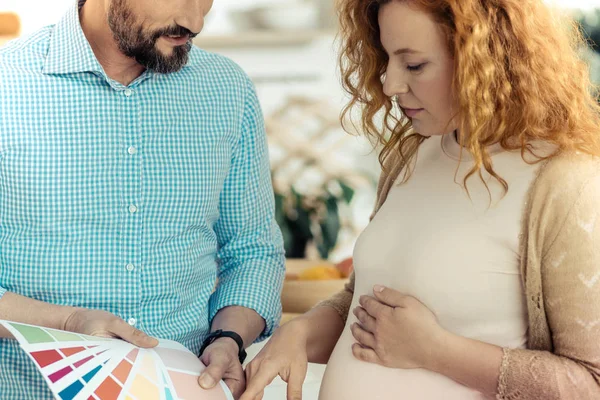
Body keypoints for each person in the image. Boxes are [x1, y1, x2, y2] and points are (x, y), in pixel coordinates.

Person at [241, 0, 600, 399]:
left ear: (486, 59)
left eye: (413, 65)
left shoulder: (565, 183)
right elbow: (365, 304)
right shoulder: (412, 155)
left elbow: (589, 382)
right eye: (387, 58)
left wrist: (437, 351)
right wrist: (301, 333)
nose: (390, 84)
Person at [0, 0, 285, 398]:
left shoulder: (226, 88)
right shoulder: (6, 83)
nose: (195, 20)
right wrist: (68, 320)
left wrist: (228, 339)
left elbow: (253, 249)